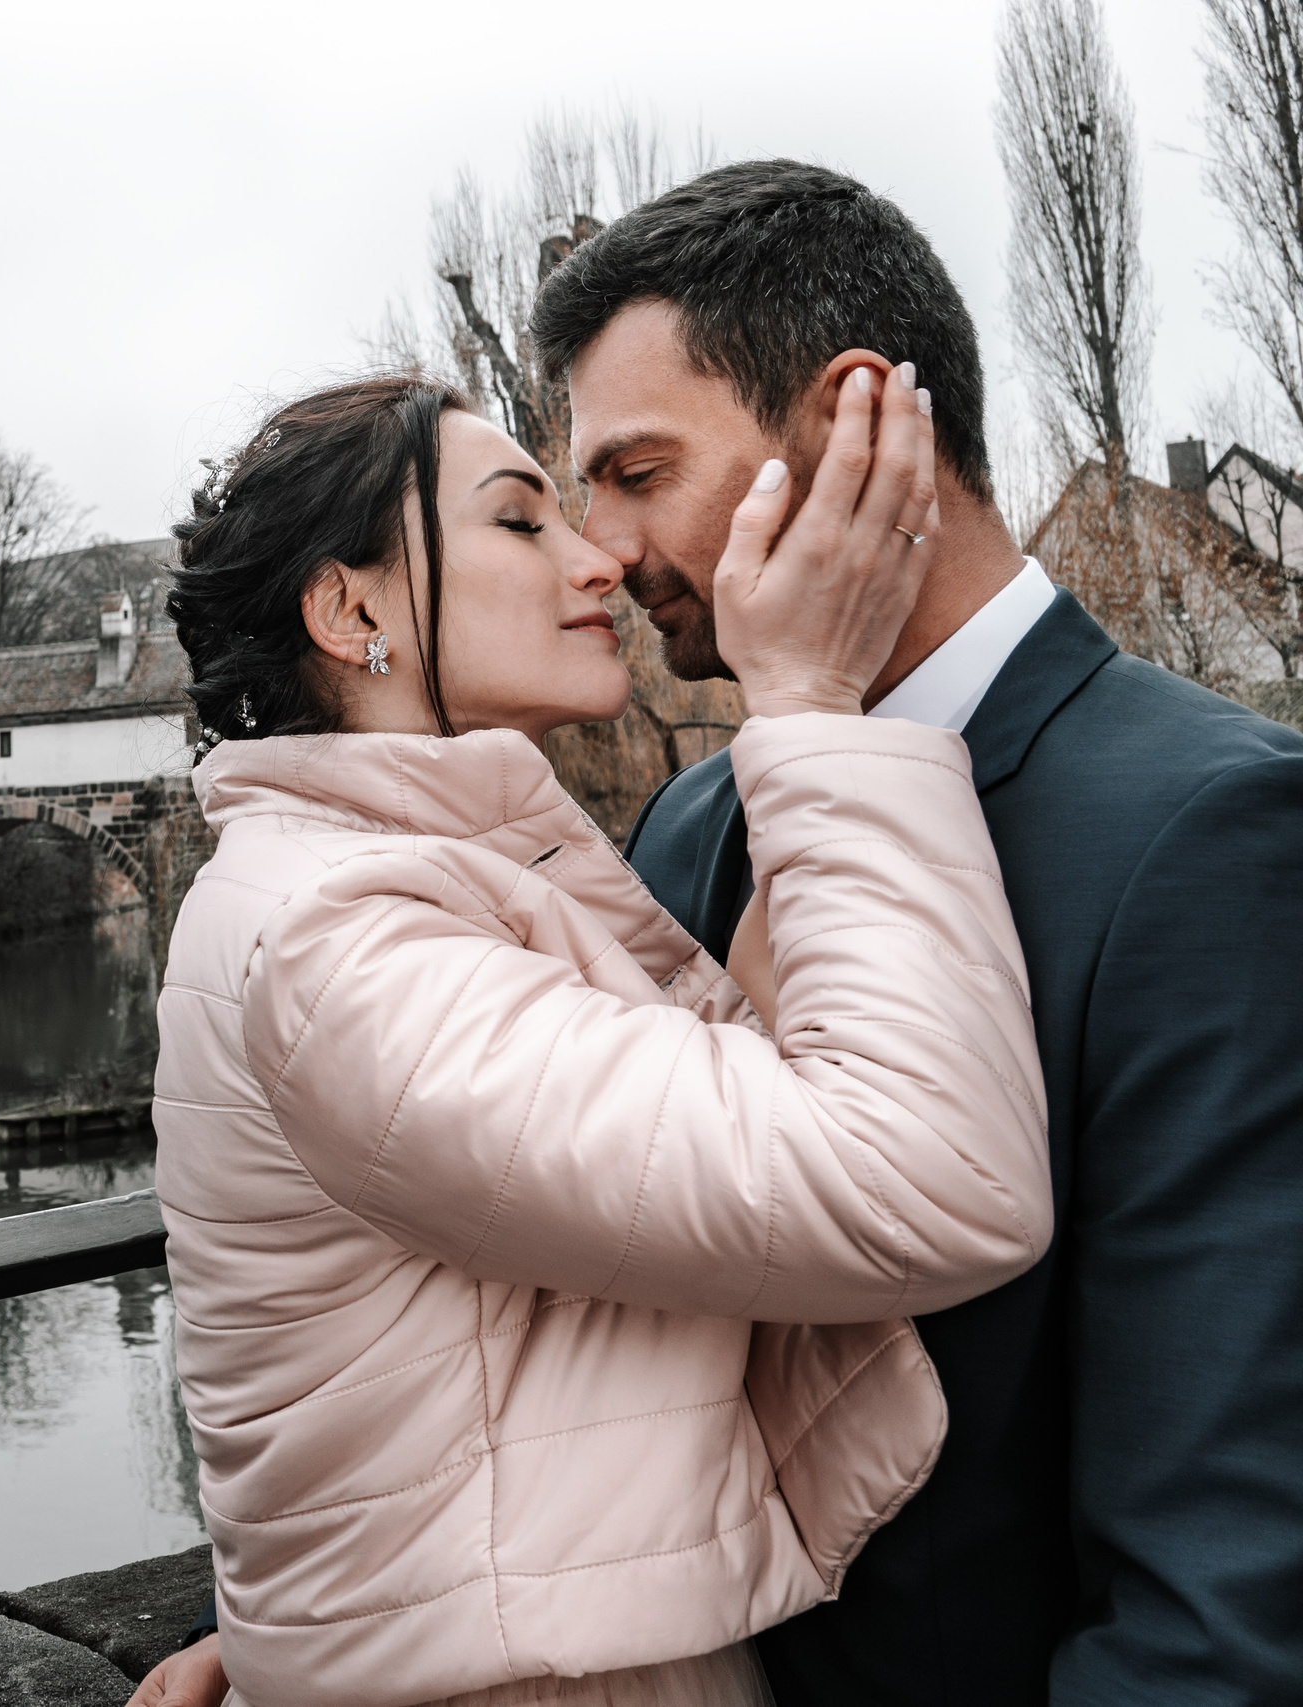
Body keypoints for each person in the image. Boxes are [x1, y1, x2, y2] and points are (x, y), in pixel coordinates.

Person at [143, 159, 1303, 1707]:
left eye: (631, 474)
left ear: (841, 429)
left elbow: (1221, 1581)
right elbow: (585, 1287)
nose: (602, 556)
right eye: (554, 503)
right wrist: (366, 1605)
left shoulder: (1213, 831)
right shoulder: (688, 830)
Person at [139, 355, 1050, 1707]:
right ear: (349, 610)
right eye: (521, 521)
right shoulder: (342, 937)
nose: (599, 563)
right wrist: (806, 708)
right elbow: (927, 1179)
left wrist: (323, 1614)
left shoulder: (410, 878)